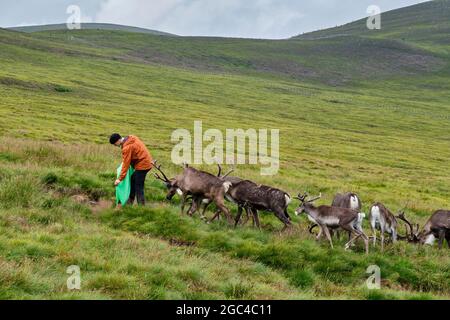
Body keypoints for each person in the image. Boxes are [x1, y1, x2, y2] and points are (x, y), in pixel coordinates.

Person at [109, 133, 153, 206]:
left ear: (118, 140)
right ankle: (130, 201)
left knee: (139, 186)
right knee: (133, 179)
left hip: (143, 165)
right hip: (147, 161)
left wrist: (119, 179)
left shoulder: (127, 148)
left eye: (114, 144)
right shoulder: (131, 137)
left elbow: (126, 164)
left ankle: (141, 207)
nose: (115, 146)